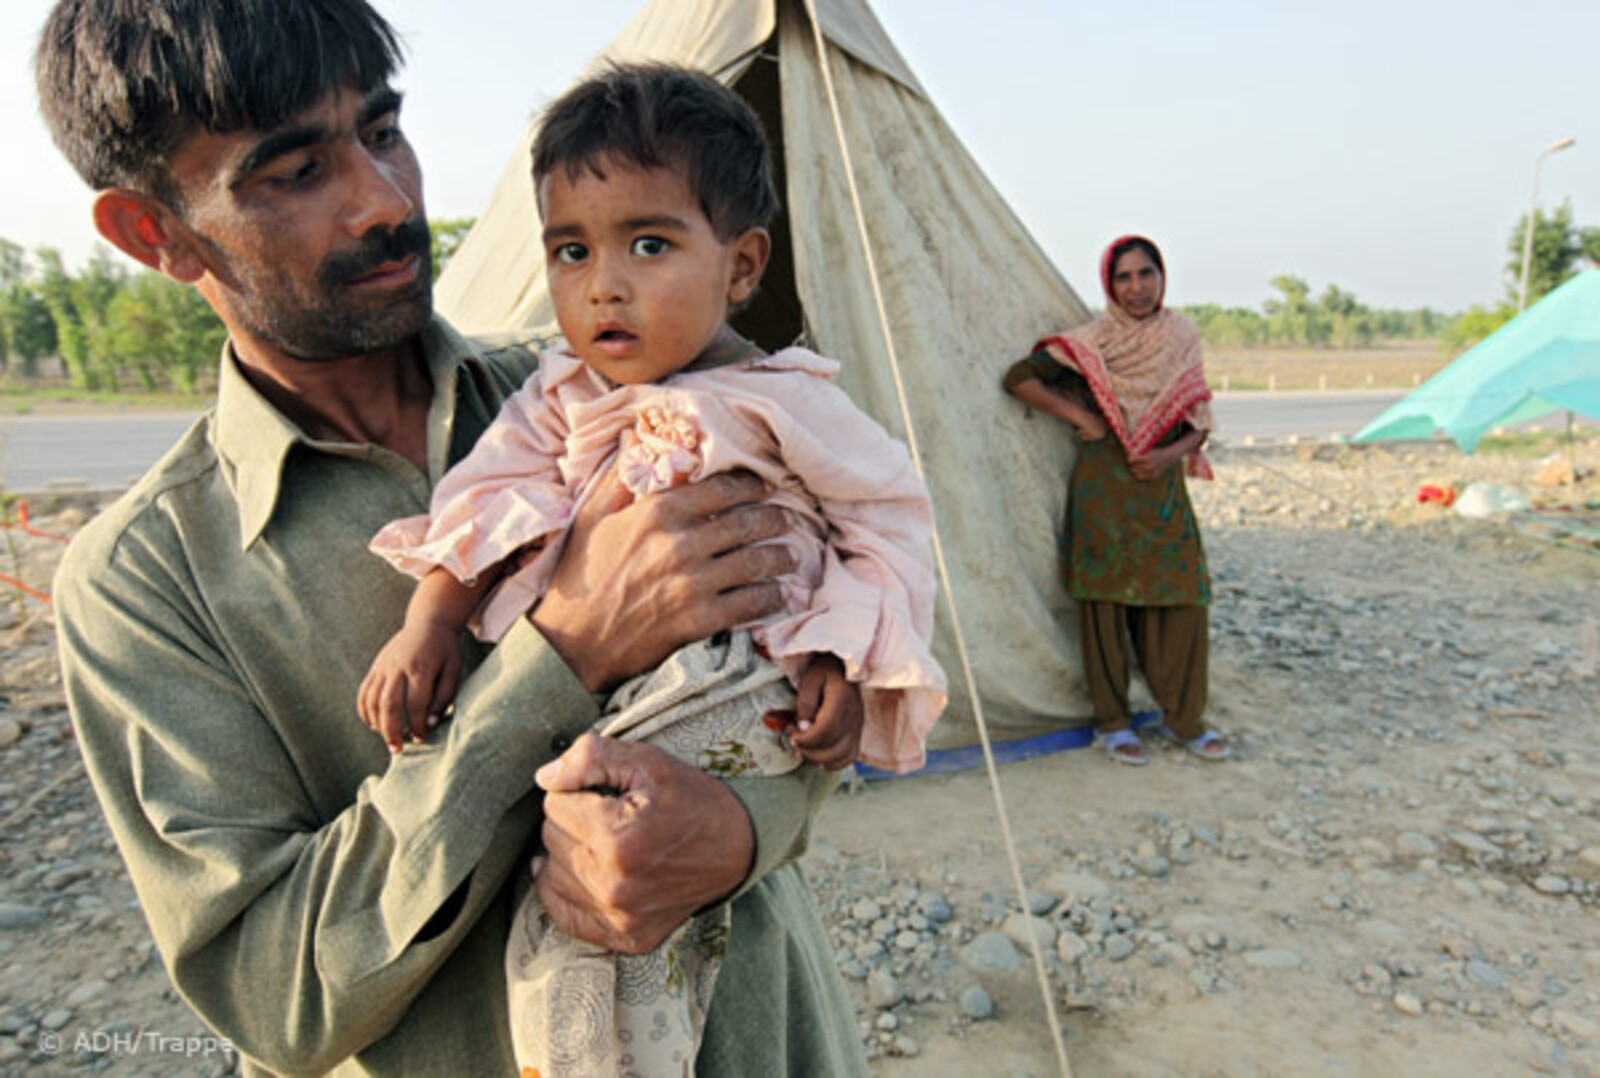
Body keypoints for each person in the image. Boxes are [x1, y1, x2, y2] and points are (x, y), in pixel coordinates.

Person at [38, 2, 869, 1074]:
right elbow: (274, 994)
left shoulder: (615, 391)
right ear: (154, 231)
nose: (385, 202)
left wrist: (748, 824)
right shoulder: (144, 581)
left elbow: (795, 651)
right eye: (294, 174)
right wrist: (559, 657)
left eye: (382, 132)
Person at [356, 63, 945, 1077]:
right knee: (576, 913)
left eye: (649, 243)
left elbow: (882, 527)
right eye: (571, 251)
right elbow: (484, 502)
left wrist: (839, 655)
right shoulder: (553, 401)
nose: (603, 284)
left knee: (651, 911)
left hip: (734, 697)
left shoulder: (789, 401)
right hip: (592, 709)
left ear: (743, 265)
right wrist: (432, 623)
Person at [1003, 235, 1229, 766]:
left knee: (1181, 599)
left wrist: (1167, 454)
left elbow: (1198, 420)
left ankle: (1185, 719)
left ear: (1162, 277)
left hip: (1161, 485)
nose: (1136, 288)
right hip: (1105, 485)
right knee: (1105, 604)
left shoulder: (1180, 336)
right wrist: (1083, 418)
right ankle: (1113, 721)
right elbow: (1019, 379)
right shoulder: (1092, 343)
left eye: (1145, 274)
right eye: (1124, 277)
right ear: (1109, 283)